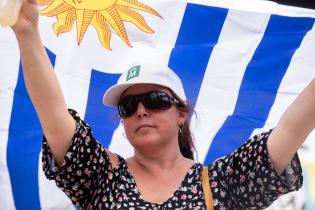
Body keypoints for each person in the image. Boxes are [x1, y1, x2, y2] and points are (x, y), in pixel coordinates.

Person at [11, 0, 314, 209]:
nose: (141, 110)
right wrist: (27, 31)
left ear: (181, 113)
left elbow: (292, 128)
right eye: (128, 106)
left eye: (155, 101)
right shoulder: (101, 176)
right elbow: (52, 114)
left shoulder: (222, 184)